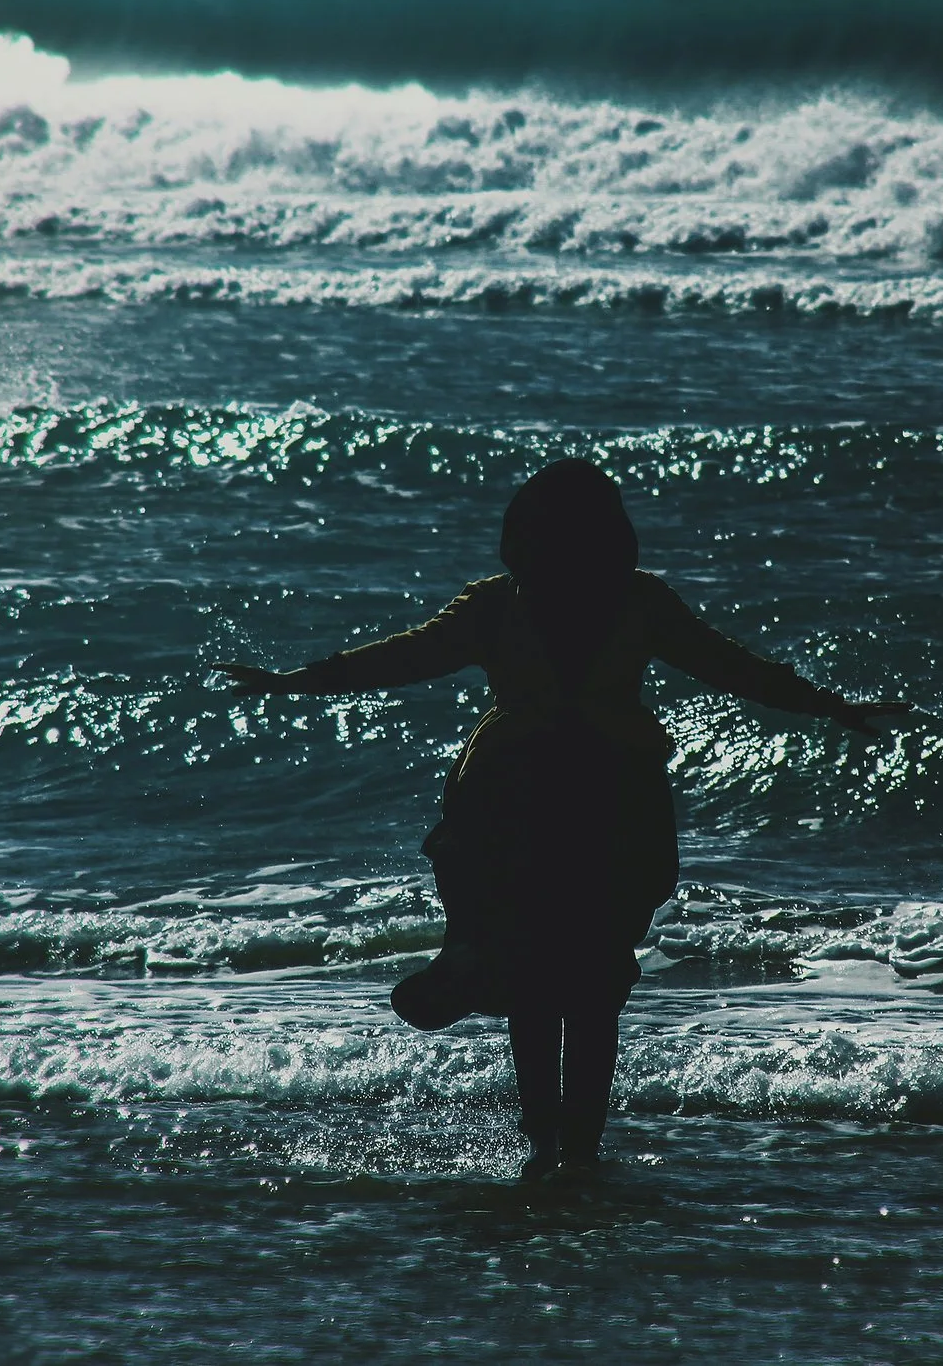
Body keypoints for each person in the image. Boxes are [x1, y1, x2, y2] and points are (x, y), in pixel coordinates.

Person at [216, 459, 903, 1181]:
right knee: (586, 983)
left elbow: (727, 664)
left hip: (558, 807)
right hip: (570, 807)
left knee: (553, 982)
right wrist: (301, 679)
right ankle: (563, 1139)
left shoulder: (555, 604)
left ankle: (538, 1110)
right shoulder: (605, 603)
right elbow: (732, 667)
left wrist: (826, 702)